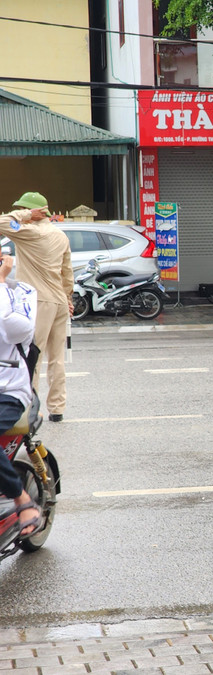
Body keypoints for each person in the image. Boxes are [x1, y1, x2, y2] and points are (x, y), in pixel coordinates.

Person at [0, 193, 73, 422]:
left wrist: (25, 215)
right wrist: (68, 299)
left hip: (38, 301)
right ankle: (57, 408)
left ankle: (31, 408)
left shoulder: (31, 232)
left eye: (23, 208)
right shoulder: (60, 236)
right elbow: (67, 272)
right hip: (59, 300)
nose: (22, 212)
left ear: (34, 211)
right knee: (57, 357)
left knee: (31, 355)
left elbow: (2, 222)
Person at [0, 253, 40, 536]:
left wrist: (1, 282)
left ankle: (21, 498)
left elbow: (14, 330)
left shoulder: (20, 293)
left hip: (8, 391)